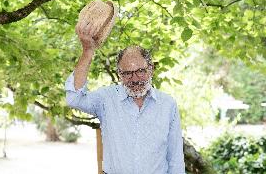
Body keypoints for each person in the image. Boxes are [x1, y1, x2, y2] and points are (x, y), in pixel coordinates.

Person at [65, 21, 185, 174]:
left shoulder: (168, 104)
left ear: (151, 69)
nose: (135, 79)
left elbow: (175, 159)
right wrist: (88, 51)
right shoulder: (106, 99)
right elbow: (73, 98)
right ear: (119, 74)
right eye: (127, 73)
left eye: (140, 71)